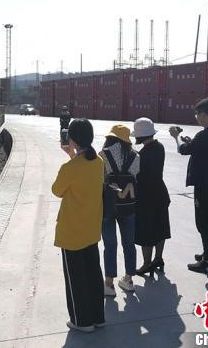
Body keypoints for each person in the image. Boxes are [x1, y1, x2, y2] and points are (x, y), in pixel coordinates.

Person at [52, 118, 105, 333]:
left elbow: (57, 190)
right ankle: (98, 317)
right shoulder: (98, 162)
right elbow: (84, 169)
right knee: (93, 273)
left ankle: (82, 321)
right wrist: (73, 156)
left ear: (72, 140)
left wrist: (71, 158)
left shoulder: (69, 167)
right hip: (91, 227)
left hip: (72, 231)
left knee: (76, 278)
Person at [169, 99, 208, 274]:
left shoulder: (205, 135)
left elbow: (183, 150)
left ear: (204, 115)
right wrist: (190, 141)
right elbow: (200, 149)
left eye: (197, 114)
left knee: (203, 222)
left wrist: (176, 137)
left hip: (204, 185)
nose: (196, 117)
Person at [98, 125, 140, 295]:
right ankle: (128, 280)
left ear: (111, 137)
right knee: (129, 243)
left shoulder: (103, 155)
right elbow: (136, 178)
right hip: (128, 205)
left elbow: (99, 181)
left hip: (108, 206)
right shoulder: (135, 156)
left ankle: (109, 284)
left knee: (110, 244)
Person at [132, 118, 171, 276]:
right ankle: (158, 258)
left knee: (146, 231)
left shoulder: (141, 154)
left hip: (146, 196)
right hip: (160, 193)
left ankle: (147, 264)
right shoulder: (159, 147)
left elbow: (136, 175)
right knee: (160, 227)